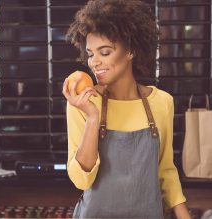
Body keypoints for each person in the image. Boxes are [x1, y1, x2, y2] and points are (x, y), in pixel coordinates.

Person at [62, 0, 191, 218]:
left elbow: (166, 172)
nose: (94, 62)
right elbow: (80, 179)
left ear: (130, 50)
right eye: (91, 54)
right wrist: (93, 118)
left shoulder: (161, 103)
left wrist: (184, 215)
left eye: (105, 52)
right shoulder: (82, 104)